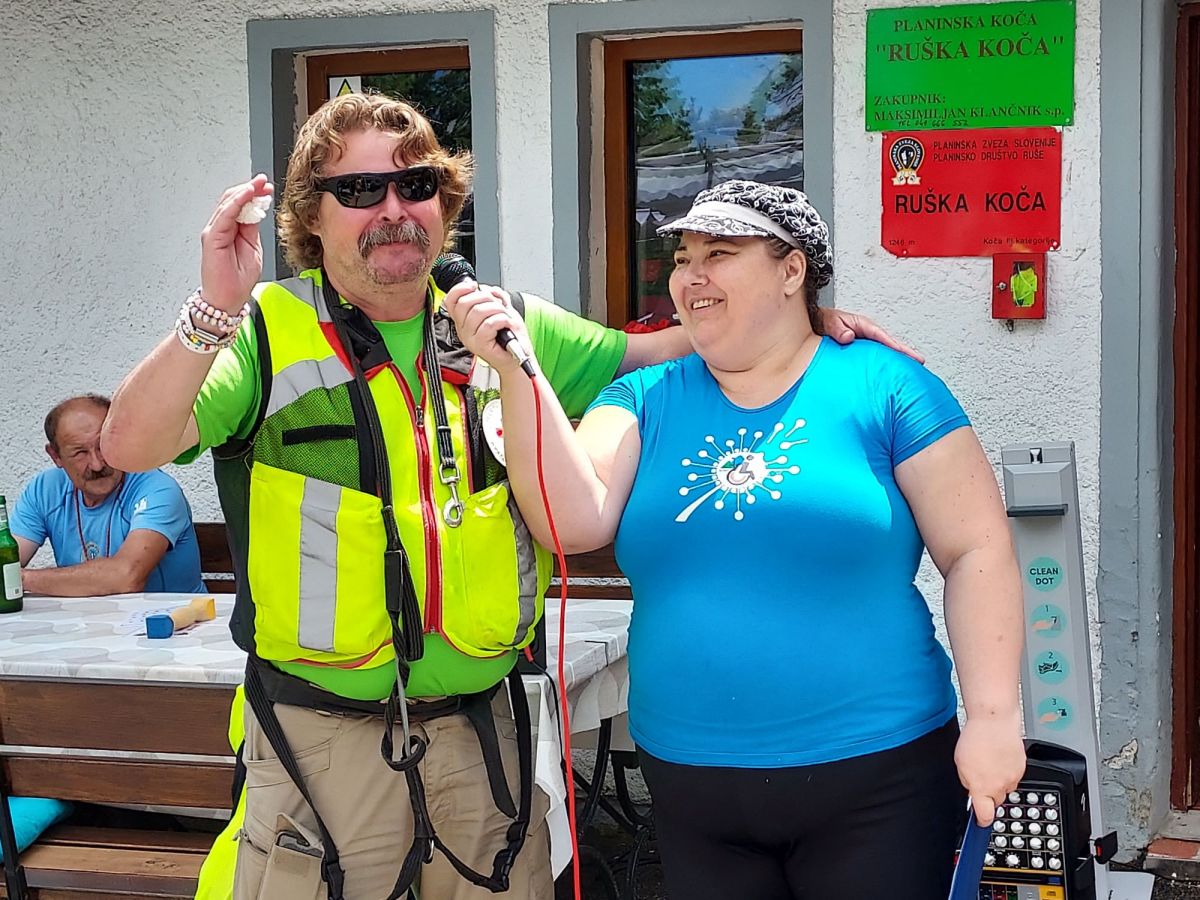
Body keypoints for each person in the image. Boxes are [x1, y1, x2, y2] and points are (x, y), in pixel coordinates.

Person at [100, 93, 910, 899]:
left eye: (417, 185)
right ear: (313, 215)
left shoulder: (503, 323)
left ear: (445, 202)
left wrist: (795, 319)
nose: (393, 209)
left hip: (481, 735)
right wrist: (214, 309)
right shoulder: (266, 331)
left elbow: (665, 352)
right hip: (321, 740)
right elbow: (129, 446)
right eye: (361, 190)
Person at [444, 179, 1027, 900]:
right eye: (683, 258)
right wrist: (516, 370)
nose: (691, 276)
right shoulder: (643, 396)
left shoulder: (887, 385)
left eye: (719, 254)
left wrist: (994, 717)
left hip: (879, 774)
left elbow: (976, 550)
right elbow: (573, 521)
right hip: (692, 784)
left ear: (792, 271)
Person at [11, 394, 204, 596]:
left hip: (176, 615)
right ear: (55, 456)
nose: (97, 464)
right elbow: (6, 559)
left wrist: (20, 579)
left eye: (103, 445)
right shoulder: (45, 489)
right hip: (86, 615)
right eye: (80, 453)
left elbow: (127, 578)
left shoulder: (157, 488)